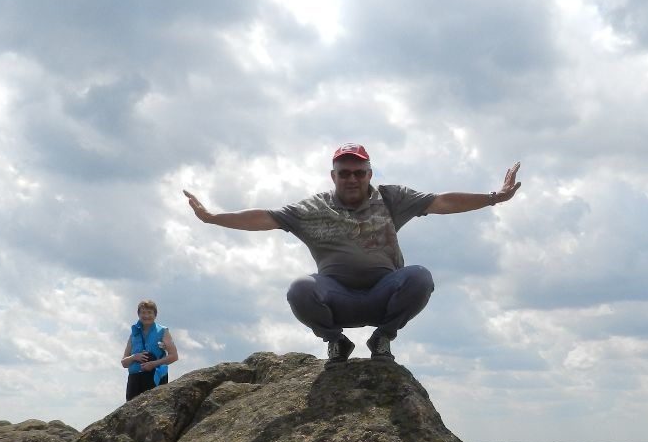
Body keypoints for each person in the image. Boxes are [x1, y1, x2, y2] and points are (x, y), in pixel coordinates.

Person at [184, 143, 521, 365]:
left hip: (383, 294)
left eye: (359, 172)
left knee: (419, 277)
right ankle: (336, 342)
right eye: (344, 173)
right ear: (333, 176)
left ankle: (382, 338)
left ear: (369, 175)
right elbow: (264, 217)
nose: (352, 179)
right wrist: (213, 218)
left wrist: (494, 197)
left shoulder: (392, 198)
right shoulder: (312, 208)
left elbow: (443, 201)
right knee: (299, 289)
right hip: (336, 298)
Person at [120, 299, 179, 400]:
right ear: (138, 314)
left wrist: (153, 364)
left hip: (156, 376)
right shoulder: (134, 333)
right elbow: (124, 363)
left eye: (149, 312)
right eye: (143, 312)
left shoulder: (163, 331)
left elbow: (174, 356)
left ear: (155, 315)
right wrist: (135, 357)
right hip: (135, 378)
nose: (146, 316)